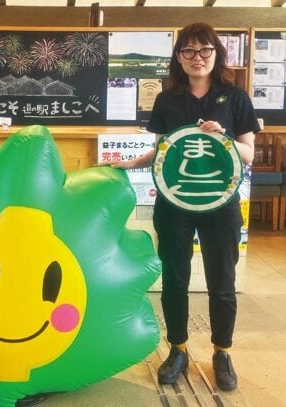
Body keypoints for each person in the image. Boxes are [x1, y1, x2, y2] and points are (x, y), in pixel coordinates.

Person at [101, 22, 259, 391]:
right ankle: (178, 348)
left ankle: (222, 351)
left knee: (222, 283)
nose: (197, 57)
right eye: (188, 51)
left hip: (221, 205)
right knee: (175, 280)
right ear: (178, 58)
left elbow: (248, 154)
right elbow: (163, 151)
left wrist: (225, 137)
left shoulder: (235, 98)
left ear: (217, 54)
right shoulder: (167, 99)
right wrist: (130, 162)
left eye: (204, 50)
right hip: (174, 204)